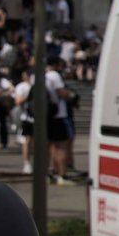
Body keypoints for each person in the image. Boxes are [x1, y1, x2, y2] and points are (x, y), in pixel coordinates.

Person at [44, 55, 75, 184]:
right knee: (62, 146)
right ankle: (62, 175)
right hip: (59, 115)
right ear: (56, 65)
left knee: (51, 146)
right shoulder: (54, 76)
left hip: (46, 115)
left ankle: (51, 172)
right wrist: (71, 95)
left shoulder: (39, 75)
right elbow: (62, 92)